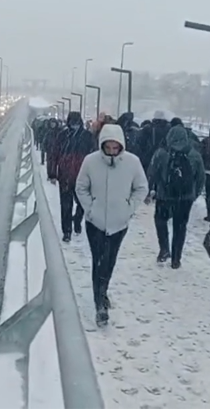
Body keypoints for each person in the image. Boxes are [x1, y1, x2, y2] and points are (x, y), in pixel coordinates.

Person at [75, 123, 148, 325]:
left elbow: (141, 188)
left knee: (110, 261)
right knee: (98, 261)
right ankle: (99, 304)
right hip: (95, 222)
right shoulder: (90, 162)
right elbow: (81, 187)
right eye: (108, 147)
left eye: (116, 147)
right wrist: (90, 208)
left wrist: (129, 208)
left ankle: (103, 290)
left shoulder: (132, 163)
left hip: (119, 222)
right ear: (102, 144)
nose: (112, 151)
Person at [146, 125, 205, 268]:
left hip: (164, 196)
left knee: (160, 220)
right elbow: (201, 177)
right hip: (185, 198)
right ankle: (176, 258)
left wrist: (149, 190)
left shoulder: (161, 153)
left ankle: (164, 249)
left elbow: (151, 173)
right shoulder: (194, 154)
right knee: (180, 227)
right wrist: (194, 193)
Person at [47, 111, 94, 241]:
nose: (74, 126)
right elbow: (53, 154)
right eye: (72, 123)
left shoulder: (87, 137)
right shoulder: (62, 136)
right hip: (65, 175)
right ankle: (66, 232)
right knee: (66, 205)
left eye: (76, 123)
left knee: (83, 202)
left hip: (82, 175)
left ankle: (77, 219)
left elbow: (94, 156)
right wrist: (52, 173)